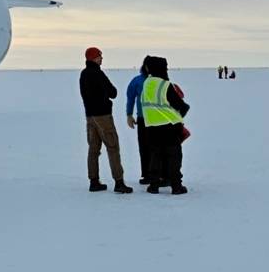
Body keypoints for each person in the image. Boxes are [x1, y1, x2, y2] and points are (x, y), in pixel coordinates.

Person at [78, 47, 132, 193]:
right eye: (100, 56)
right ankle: (119, 182)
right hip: (103, 116)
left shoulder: (83, 74)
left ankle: (93, 181)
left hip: (90, 116)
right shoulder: (97, 73)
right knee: (113, 147)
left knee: (93, 149)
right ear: (94, 58)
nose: (102, 58)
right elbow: (113, 92)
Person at [137, 56, 191, 194]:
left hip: (151, 126)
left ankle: (153, 185)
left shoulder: (147, 83)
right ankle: (176, 186)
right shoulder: (165, 85)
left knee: (155, 156)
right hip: (169, 127)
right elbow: (180, 106)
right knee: (174, 156)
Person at [126, 59, 151, 186]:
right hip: (142, 119)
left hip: (157, 120)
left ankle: (160, 174)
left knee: (157, 148)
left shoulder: (160, 81)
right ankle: (146, 174)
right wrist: (129, 114)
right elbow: (130, 97)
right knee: (144, 147)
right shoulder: (137, 81)